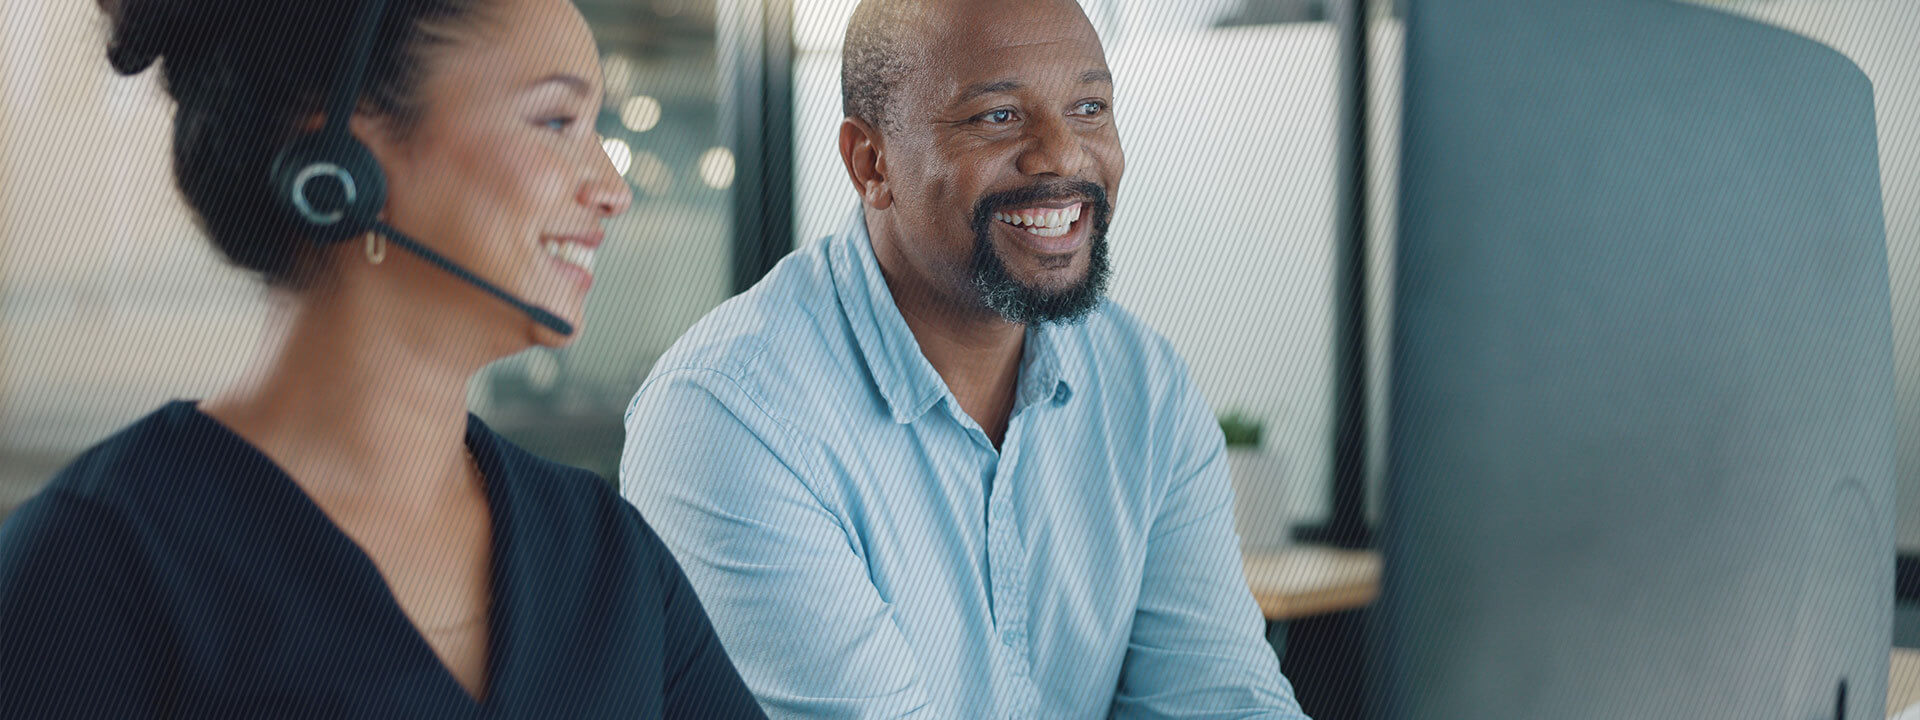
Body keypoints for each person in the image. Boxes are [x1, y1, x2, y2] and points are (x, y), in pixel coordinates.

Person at [0, 0, 765, 717]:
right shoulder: (94, 567)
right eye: (556, 121)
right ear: (343, 158)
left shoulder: (605, 558)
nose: (611, 188)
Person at [620, 0, 1310, 717]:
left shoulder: (1144, 386)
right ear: (871, 162)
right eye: (998, 116)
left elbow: (1223, 700)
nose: (1065, 155)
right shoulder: (730, 418)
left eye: (1088, 107)